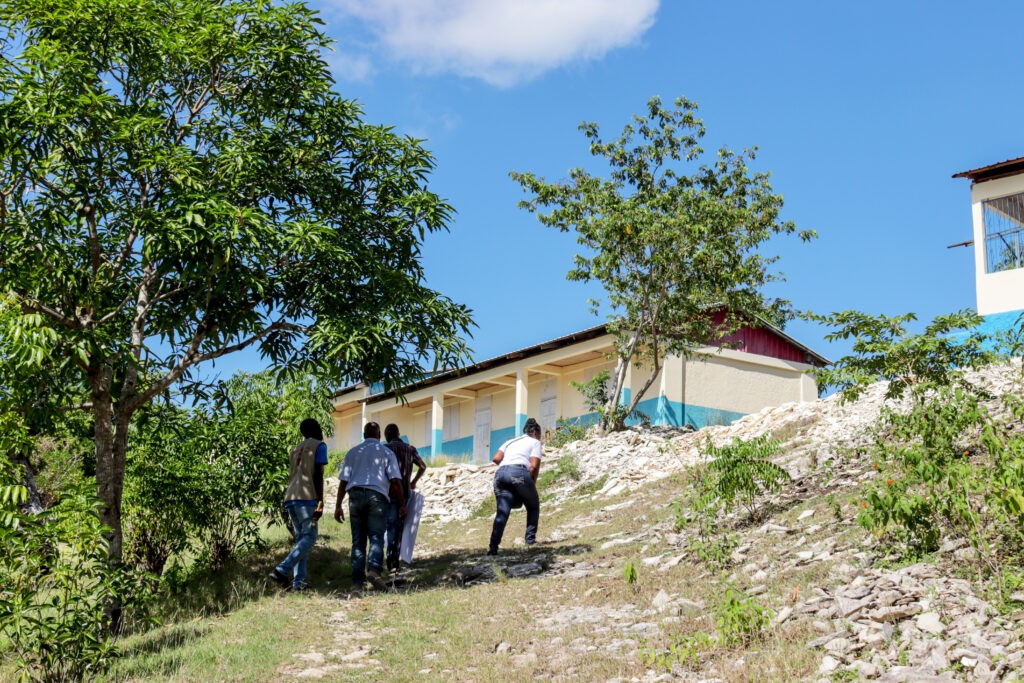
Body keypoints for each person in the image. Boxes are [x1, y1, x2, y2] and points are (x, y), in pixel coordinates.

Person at [334, 422, 406, 590]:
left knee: (358, 541)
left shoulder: (353, 453)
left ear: (364, 435)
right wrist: (402, 504)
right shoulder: (386, 452)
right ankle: (374, 570)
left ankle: (357, 583)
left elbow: (343, 481)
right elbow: (395, 481)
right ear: (379, 436)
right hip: (378, 497)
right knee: (376, 537)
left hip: (355, 496)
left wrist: (338, 505)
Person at [269, 418, 327, 591]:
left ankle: (299, 583)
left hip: (291, 498)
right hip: (307, 497)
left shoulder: (295, 449)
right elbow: (318, 475)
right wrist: (320, 500)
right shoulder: (320, 446)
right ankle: (282, 569)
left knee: (301, 539)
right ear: (317, 429)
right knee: (310, 537)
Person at [487, 417, 543, 555]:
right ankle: (530, 540)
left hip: (500, 475)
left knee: (502, 513)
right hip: (519, 473)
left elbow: (496, 458)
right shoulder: (535, 442)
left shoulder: (510, 441)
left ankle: (493, 547)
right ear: (536, 433)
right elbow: (534, 466)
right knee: (533, 505)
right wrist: (531, 485)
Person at [382, 423, 427, 571]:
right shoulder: (410, 449)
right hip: (405, 493)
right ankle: (395, 560)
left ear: (387, 435)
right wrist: (413, 481)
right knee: (399, 526)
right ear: (399, 433)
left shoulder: (385, 449)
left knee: (390, 526)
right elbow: (422, 466)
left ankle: (389, 560)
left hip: (388, 493)